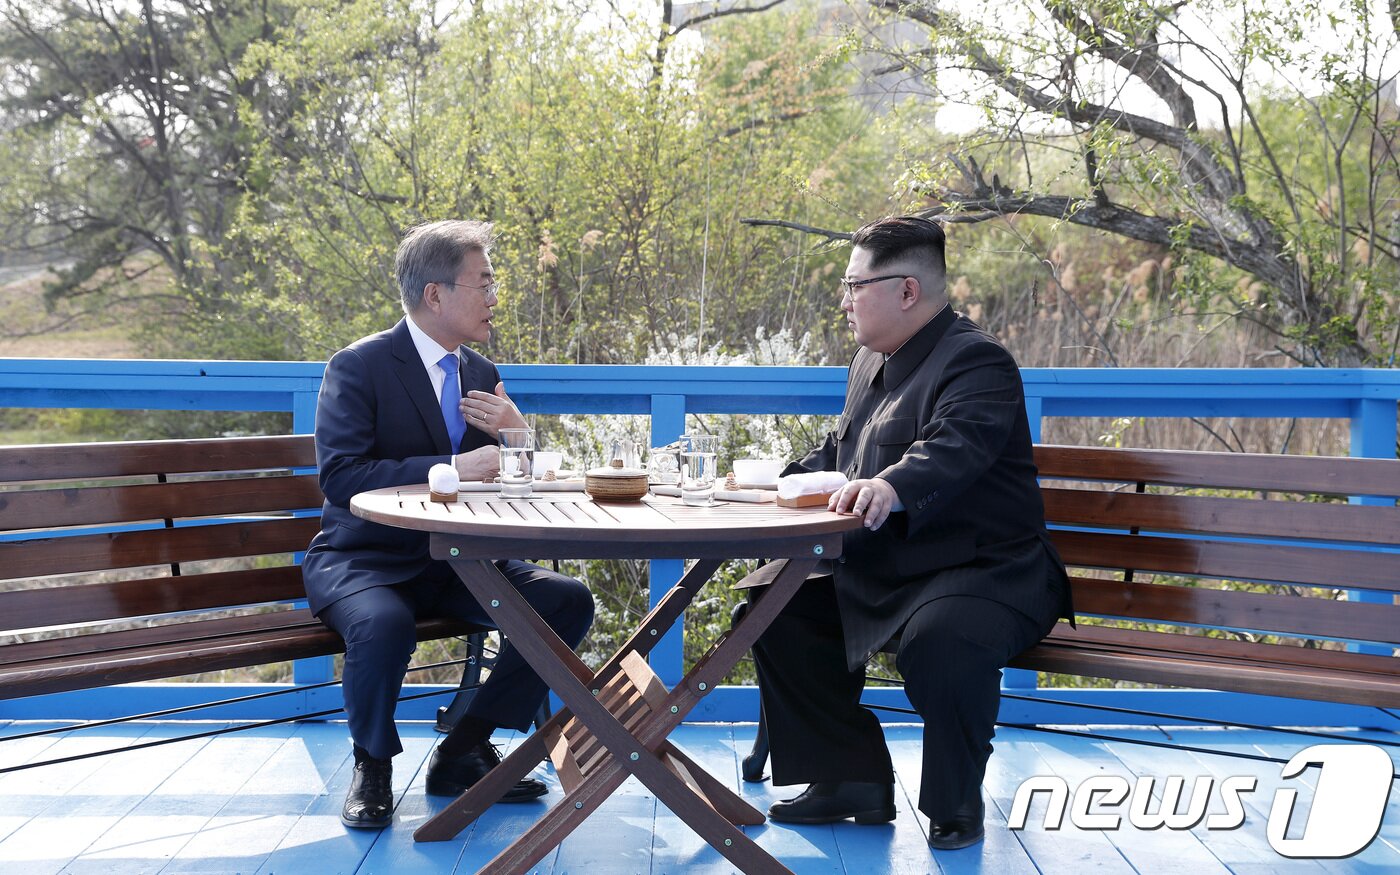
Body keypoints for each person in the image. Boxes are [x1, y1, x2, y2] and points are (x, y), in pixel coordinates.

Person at [751, 215, 1072, 850]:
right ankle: (849, 778)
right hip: (894, 566)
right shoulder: (870, 360)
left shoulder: (978, 361)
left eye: (854, 284)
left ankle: (956, 803)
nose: (844, 300)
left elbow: (954, 446)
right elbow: (842, 453)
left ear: (906, 291)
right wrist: (773, 482)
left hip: (987, 571)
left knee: (942, 640)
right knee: (774, 605)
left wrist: (891, 485)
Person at [302, 219, 595, 829]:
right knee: (382, 626)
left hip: (461, 562)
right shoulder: (358, 367)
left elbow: (518, 484)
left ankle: (463, 747)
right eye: (483, 283)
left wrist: (518, 436)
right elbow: (342, 477)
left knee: (566, 602)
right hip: (364, 560)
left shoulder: (482, 375)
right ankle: (372, 768)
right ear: (435, 294)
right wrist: (453, 467)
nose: (495, 297)